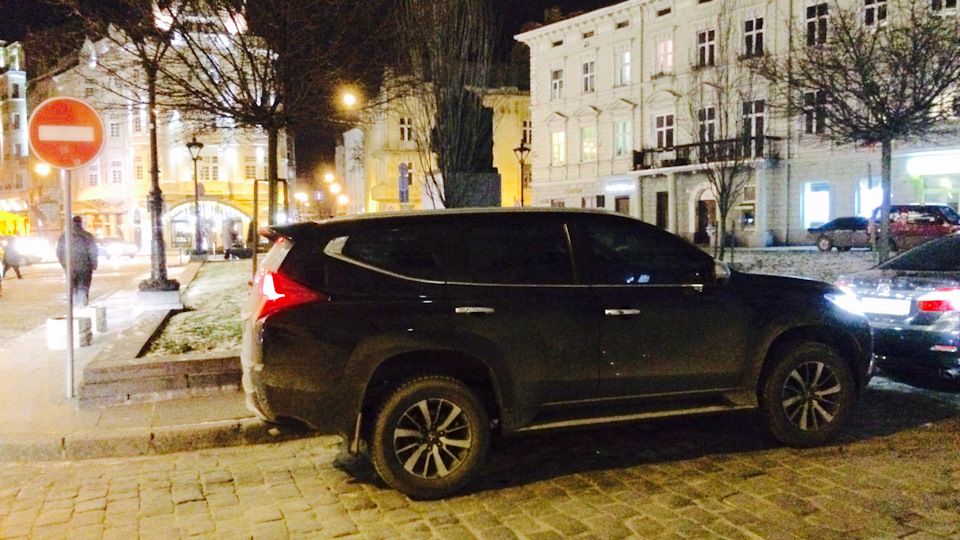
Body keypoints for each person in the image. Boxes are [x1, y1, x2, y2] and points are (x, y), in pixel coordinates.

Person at [56, 216, 99, 306]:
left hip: (70, 267)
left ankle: (75, 306)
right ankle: (82, 305)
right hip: (85, 267)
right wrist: (94, 263)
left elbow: (59, 252)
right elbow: (92, 251)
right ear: (81, 223)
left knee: (73, 288)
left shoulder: (64, 237)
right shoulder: (87, 235)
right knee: (83, 287)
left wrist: (65, 265)